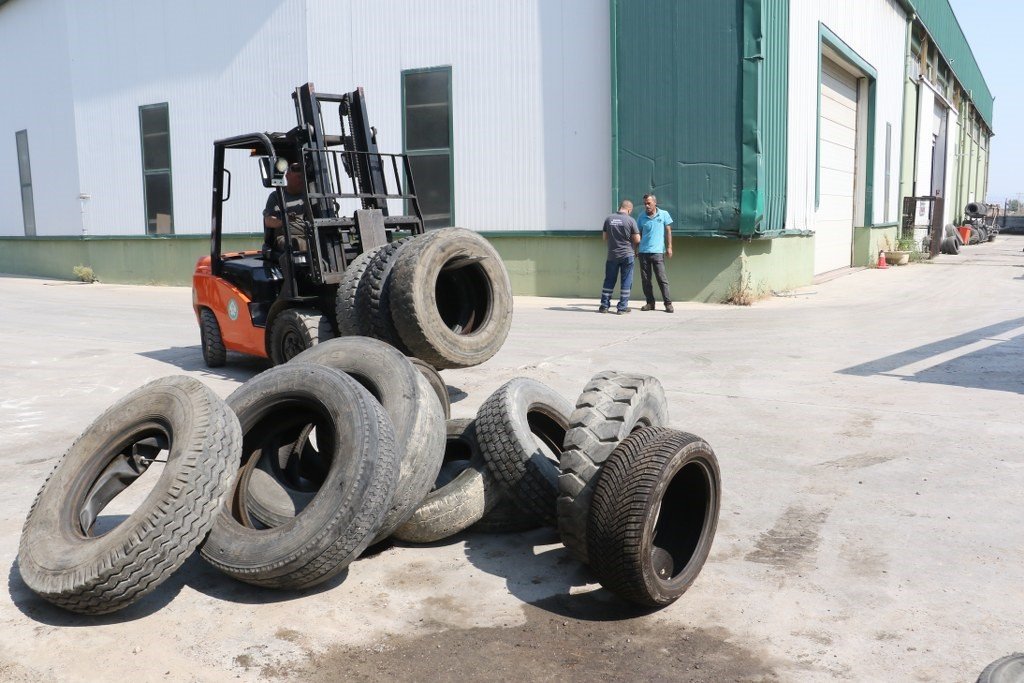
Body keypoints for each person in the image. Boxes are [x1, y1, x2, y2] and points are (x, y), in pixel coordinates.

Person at [599, 200, 640, 314]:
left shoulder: (609, 219)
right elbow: (637, 239)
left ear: (620, 207)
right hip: (627, 254)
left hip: (612, 255)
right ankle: (622, 308)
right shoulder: (631, 220)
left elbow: (604, 237)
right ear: (629, 209)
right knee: (626, 280)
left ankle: (604, 306)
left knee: (609, 280)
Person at [262, 161, 309, 258]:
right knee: (295, 243)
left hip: (308, 234)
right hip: (284, 236)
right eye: (298, 177)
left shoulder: (310, 196)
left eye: (303, 178)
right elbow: (268, 221)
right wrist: (285, 220)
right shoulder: (277, 196)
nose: (301, 181)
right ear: (287, 176)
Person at [637, 193, 673, 313]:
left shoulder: (663, 214)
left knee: (662, 279)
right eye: (645, 204)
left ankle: (668, 304)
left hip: (657, 252)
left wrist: (669, 247)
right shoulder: (641, 217)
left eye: (649, 203)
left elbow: (668, 231)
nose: (646, 206)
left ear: (655, 203)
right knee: (646, 280)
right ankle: (650, 303)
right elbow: (638, 235)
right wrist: (635, 249)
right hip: (643, 253)